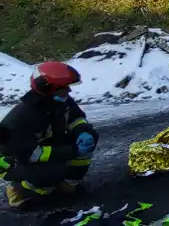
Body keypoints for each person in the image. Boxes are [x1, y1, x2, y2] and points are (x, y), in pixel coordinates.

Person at [0, 62, 99, 210]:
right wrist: (73, 151)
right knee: (50, 173)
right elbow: (32, 154)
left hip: (40, 149)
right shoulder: (22, 117)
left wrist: (84, 131)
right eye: (63, 88)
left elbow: (76, 118)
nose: (69, 90)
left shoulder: (60, 101)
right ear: (47, 89)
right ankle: (19, 189)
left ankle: (67, 185)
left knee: (91, 138)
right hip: (13, 161)